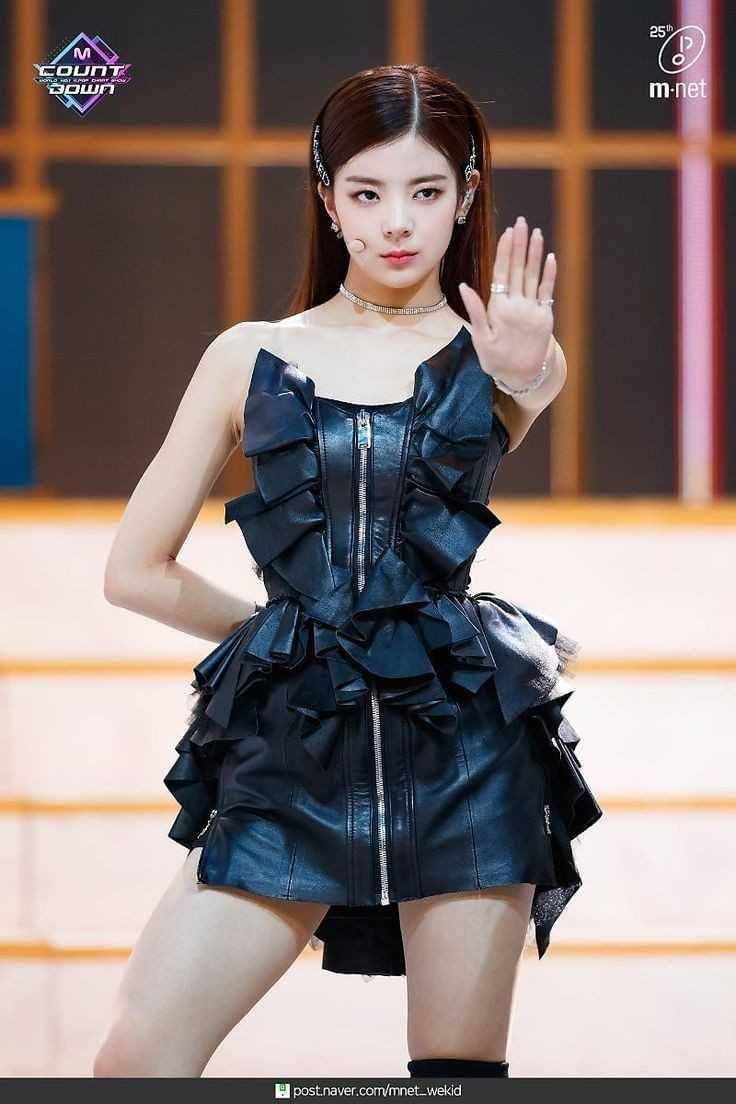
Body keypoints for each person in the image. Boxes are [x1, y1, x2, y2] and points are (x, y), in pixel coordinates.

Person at [96, 63, 602, 1079]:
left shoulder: (503, 353)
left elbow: (530, 381)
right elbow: (135, 572)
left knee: (455, 1081)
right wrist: (287, 638)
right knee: (137, 1065)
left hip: (468, 757)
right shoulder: (248, 356)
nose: (397, 222)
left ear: (466, 195)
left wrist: (524, 369)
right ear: (327, 200)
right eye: (367, 193)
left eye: (426, 191)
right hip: (295, 753)